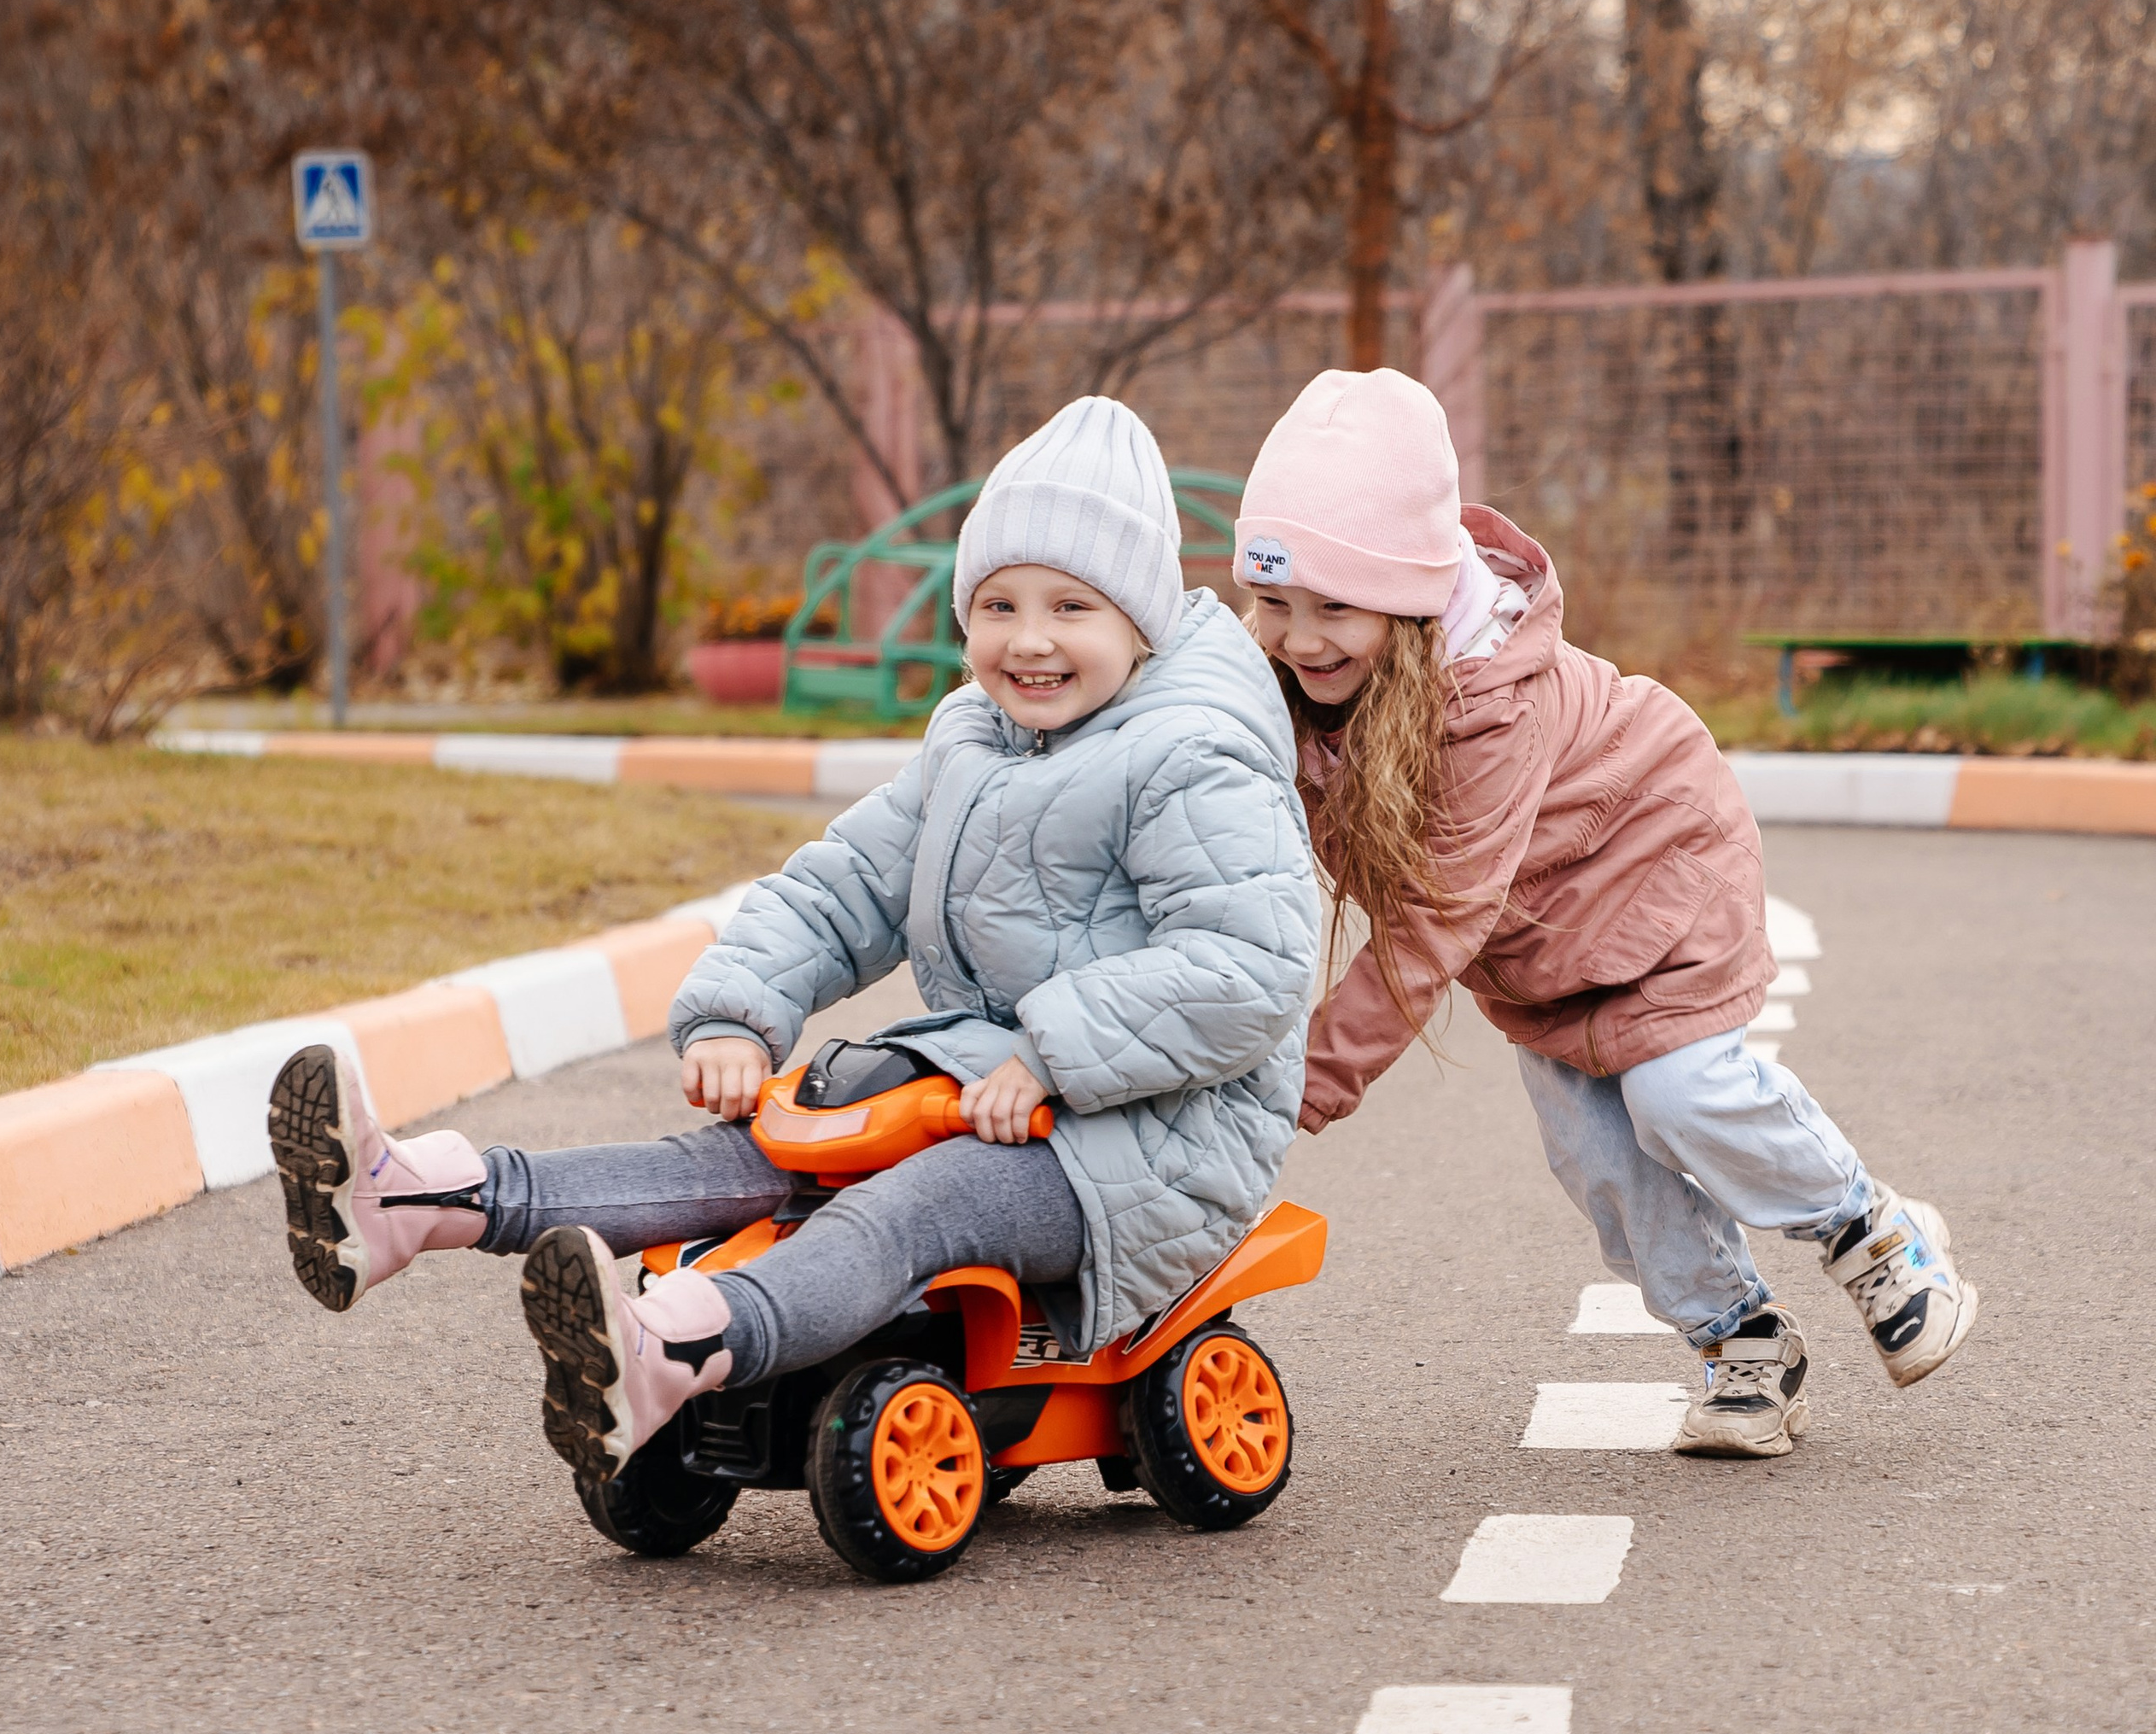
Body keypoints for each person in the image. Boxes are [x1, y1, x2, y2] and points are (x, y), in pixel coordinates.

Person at [270, 395, 1320, 1488]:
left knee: (911, 1207)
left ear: (1141, 624)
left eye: (1072, 605)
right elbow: (847, 882)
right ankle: (418, 1200)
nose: (1030, 639)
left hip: (1148, 1132)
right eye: (998, 604)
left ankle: (677, 1341)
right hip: (980, 1085)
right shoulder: (975, 736)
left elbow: (1250, 965)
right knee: (750, 1155)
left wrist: (1050, 1052)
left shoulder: (1190, 756)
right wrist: (737, 1008)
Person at [1231, 368, 1978, 1456]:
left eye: (1334, 606)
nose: (1300, 637)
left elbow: (1435, 918)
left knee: (1683, 1093)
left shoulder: (1485, 706)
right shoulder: (1293, 683)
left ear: (1411, 595)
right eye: (1275, 603)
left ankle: (1873, 1235)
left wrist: (1310, 1075)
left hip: (1658, 864)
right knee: (1600, 1158)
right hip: (1543, 950)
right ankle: (1742, 1342)